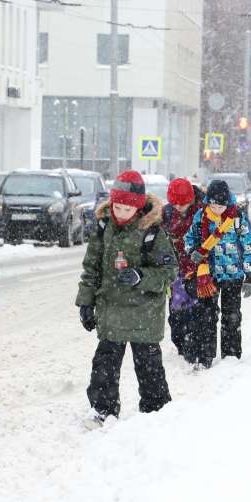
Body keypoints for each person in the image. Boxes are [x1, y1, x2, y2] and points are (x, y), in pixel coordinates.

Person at [76, 170, 178, 426]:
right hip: (111, 309)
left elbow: (169, 271)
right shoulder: (103, 227)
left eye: (126, 209)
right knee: (104, 365)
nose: (120, 213)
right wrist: (85, 302)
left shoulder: (152, 232)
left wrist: (140, 276)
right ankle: (102, 410)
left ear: (138, 207)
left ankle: (157, 413)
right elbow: (91, 268)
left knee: (149, 366)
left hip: (145, 312)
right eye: (116, 207)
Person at [185, 180, 251, 369]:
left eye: (220, 205)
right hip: (208, 276)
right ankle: (204, 356)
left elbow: (250, 246)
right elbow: (189, 238)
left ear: (227, 202)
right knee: (206, 316)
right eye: (212, 205)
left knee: (231, 316)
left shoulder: (237, 218)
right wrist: (192, 250)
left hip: (233, 276)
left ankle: (231, 355)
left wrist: (250, 277)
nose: (216, 209)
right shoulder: (201, 216)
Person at [162, 178, 203, 364]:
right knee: (177, 309)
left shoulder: (201, 212)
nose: (179, 206)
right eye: (175, 203)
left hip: (197, 269)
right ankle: (180, 341)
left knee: (195, 309)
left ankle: (193, 345)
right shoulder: (167, 213)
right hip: (176, 269)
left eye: (183, 203)